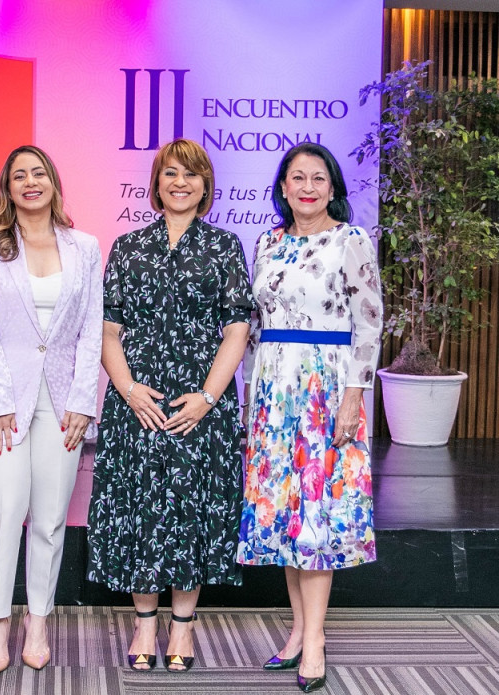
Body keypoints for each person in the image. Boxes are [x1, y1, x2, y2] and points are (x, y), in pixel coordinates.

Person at [86, 139, 254, 672]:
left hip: (201, 406)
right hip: (136, 404)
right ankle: (143, 624)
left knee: (191, 510)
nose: (180, 183)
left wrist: (208, 398)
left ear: (206, 186)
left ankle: (182, 627)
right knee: (139, 509)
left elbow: (237, 329)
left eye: (192, 175)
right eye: (170, 174)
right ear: (155, 184)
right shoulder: (128, 247)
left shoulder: (225, 246)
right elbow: (108, 329)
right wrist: (129, 388)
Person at [235, 143, 382, 693]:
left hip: (326, 388)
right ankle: (298, 629)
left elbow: (369, 322)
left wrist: (354, 396)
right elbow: (254, 324)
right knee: (285, 517)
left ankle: (315, 640)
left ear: (332, 186)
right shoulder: (267, 242)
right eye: (297, 178)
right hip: (274, 388)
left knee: (317, 514)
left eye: (318, 178)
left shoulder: (350, 240)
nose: (307, 187)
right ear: (282, 186)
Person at [0, 145, 103, 674]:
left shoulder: (85, 246)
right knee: (4, 502)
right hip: (4, 398)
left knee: (49, 516)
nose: (30, 181)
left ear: (53, 182)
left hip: (64, 402)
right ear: (7, 188)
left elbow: (92, 326)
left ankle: (38, 618)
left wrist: (82, 403)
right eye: (18, 175)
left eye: (38, 172)